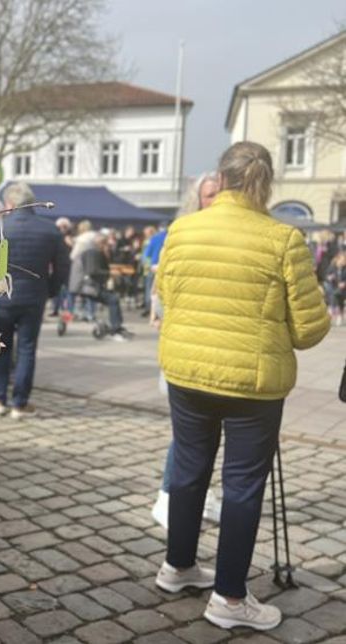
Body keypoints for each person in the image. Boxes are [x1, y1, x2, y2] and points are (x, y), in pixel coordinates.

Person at [154, 142, 330, 631]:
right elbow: (309, 329)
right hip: (252, 383)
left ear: (222, 177)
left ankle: (178, 566)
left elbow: (166, 293)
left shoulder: (183, 229)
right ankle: (229, 598)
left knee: (187, 470)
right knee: (242, 486)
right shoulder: (283, 238)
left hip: (188, 370)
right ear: (266, 182)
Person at [152, 172, 221, 528]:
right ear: (198, 199)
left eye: (221, 193)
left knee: (209, 433)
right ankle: (168, 495)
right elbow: (162, 290)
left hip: (219, 346)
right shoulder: (183, 234)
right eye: (210, 195)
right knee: (189, 432)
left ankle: (200, 495)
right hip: (186, 344)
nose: (216, 200)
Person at [0, 181, 68, 419]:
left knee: (1, 347)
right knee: (27, 349)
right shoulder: (50, 230)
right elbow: (63, 266)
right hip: (34, 296)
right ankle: (20, 403)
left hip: (2, 297)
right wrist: (51, 290)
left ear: (9, 203)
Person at [76, 233, 132, 340]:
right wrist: (110, 273)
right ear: (101, 244)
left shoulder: (95, 252)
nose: (108, 246)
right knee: (113, 299)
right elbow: (92, 271)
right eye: (106, 244)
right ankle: (116, 328)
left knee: (113, 299)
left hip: (92, 287)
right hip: (90, 288)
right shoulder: (93, 253)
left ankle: (117, 326)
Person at [50, 217, 73, 317]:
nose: (62, 229)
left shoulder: (69, 238)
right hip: (56, 266)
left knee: (67, 290)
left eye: (65, 227)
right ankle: (55, 309)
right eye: (60, 227)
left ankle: (66, 310)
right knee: (56, 289)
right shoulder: (54, 238)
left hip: (67, 266)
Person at [325, 251, 346, 326]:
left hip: (344, 289)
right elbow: (327, 276)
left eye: (344, 261)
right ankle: (335, 311)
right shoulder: (332, 267)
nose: (342, 262)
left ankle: (334, 311)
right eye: (341, 260)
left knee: (338, 297)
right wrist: (330, 278)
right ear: (337, 259)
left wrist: (344, 283)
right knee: (335, 295)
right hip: (334, 288)